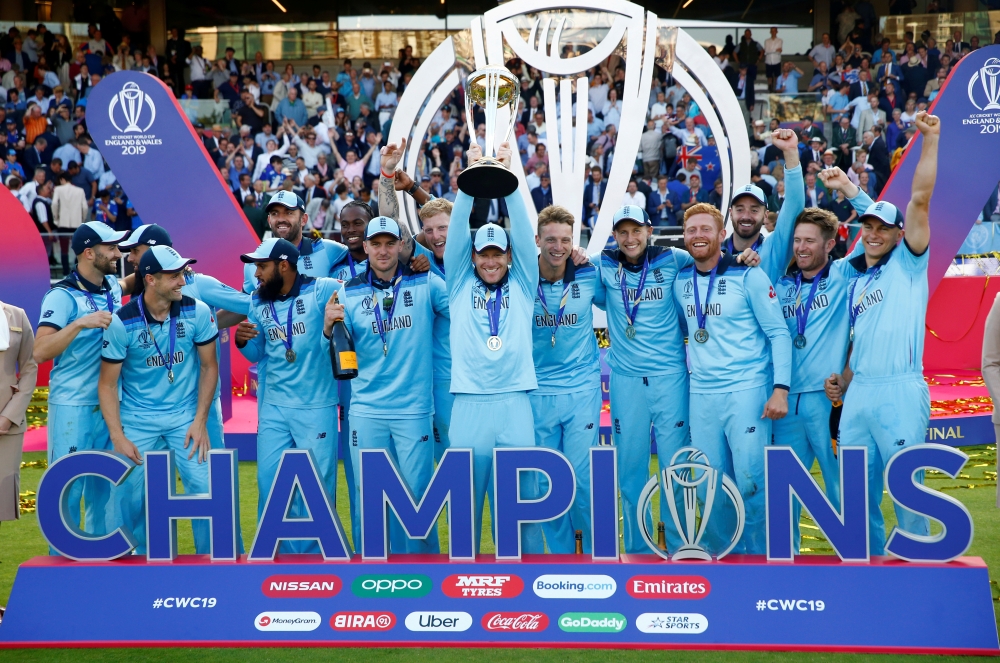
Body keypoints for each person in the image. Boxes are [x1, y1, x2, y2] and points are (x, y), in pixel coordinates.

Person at [824, 112, 941, 555]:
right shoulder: (856, 279)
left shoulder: (909, 263)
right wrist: (845, 378)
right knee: (855, 497)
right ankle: (864, 572)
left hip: (899, 389)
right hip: (860, 395)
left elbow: (919, 201)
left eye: (882, 230)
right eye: (867, 229)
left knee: (908, 493)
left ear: (897, 236)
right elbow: (862, 341)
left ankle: (925, 577)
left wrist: (930, 140)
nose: (873, 236)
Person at [675, 203, 792, 555]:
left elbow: (779, 334)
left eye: (705, 229)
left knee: (751, 480)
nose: (698, 236)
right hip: (702, 394)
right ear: (684, 237)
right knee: (710, 483)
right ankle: (719, 559)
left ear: (721, 235)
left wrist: (780, 390)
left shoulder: (749, 274)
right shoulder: (681, 279)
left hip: (747, 391)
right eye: (692, 230)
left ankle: (759, 561)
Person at [328, 215, 448, 554]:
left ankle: (425, 574)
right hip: (366, 410)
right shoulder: (347, 292)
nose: (383, 251)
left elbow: (464, 309)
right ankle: (372, 573)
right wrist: (327, 329)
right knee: (370, 497)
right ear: (364, 247)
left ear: (401, 245)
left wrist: (434, 269)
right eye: (376, 244)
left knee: (418, 496)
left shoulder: (424, 282)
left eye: (389, 243)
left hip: (413, 409)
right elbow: (338, 344)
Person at [445, 141, 543, 552]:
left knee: (521, 509)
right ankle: (461, 591)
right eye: (483, 254)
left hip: (514, 403)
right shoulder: (458, 283)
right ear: (472, 257)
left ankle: (527, 592)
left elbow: (521, 233)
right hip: (467, 404)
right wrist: (469, 182)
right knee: (464, 512)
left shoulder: (523, 283)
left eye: (497, 254)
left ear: (507, 256)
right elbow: (454, 235)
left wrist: (508, 181)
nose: (490, 261)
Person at [98, 246, 219, 555]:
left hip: (185, 418)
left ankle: (215, 565)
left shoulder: (198, 311)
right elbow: (108, 385)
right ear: (150, 279)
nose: (183, 281)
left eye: (183, 273)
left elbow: (209, 366)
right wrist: (118, 437)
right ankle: (136, 567)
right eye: (174, 275)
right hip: (138, 420)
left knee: (205, 491)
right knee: (128, 496)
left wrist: (200, 420)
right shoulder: (121, 321)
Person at [235, 238, 343, 554]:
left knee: (317, 491)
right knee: (270, 484)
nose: (256, 273)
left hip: (316, 406)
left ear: (284, 265)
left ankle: (313, 562)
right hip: (273, 409)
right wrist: (244, 342)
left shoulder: (322, 289)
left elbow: (362, 287)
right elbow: (259, 353)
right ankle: (274, 556)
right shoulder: (257, 300)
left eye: (261, 266)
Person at [33, 222, 127, 548]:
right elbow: (40, 351)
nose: (118, 253)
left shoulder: (111, 286)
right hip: (73, 406)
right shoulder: (61, 296)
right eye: (112, 248)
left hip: (109, 405)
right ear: (89, 252)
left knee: (105, 490)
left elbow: (131, 284)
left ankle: (98, 565)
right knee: (68, 492)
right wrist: (78, 323)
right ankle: (61, 572)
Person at [119, 225, 251, 454]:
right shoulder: (144, 288)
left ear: (154, 250)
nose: (129, 257)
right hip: (154, 406)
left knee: (212, 471)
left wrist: (207, 328)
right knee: (154, 478)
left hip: (201, 399)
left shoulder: (198, 284)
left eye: (135, 250)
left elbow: (248, 306)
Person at [769, 205, 854, 551]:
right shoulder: (780, 283)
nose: (801, 247)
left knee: (840, 487)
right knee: (781, 491)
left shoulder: (843, 275)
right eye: (797, 240)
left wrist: (850, 192)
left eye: (810, 241)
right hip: (785, 402)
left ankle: (856, 555)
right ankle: (784, 560)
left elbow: (881, 234)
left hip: (826, 399)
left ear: (830, 244)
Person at [530, 205, 604, 553]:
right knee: (548, 482)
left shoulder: (589, 273)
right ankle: (560, 557)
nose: (558, 247)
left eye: (565, 240)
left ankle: (593, 552)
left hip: (581, 390)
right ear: (537, 240)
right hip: (537, 391)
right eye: (550, 240)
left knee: (583, 478)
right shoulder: (520, 278)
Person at [0, 299, 37, 529]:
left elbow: (29, 367)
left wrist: (9, 416)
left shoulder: (17, 315)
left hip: (7, 423)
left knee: (1, 496)